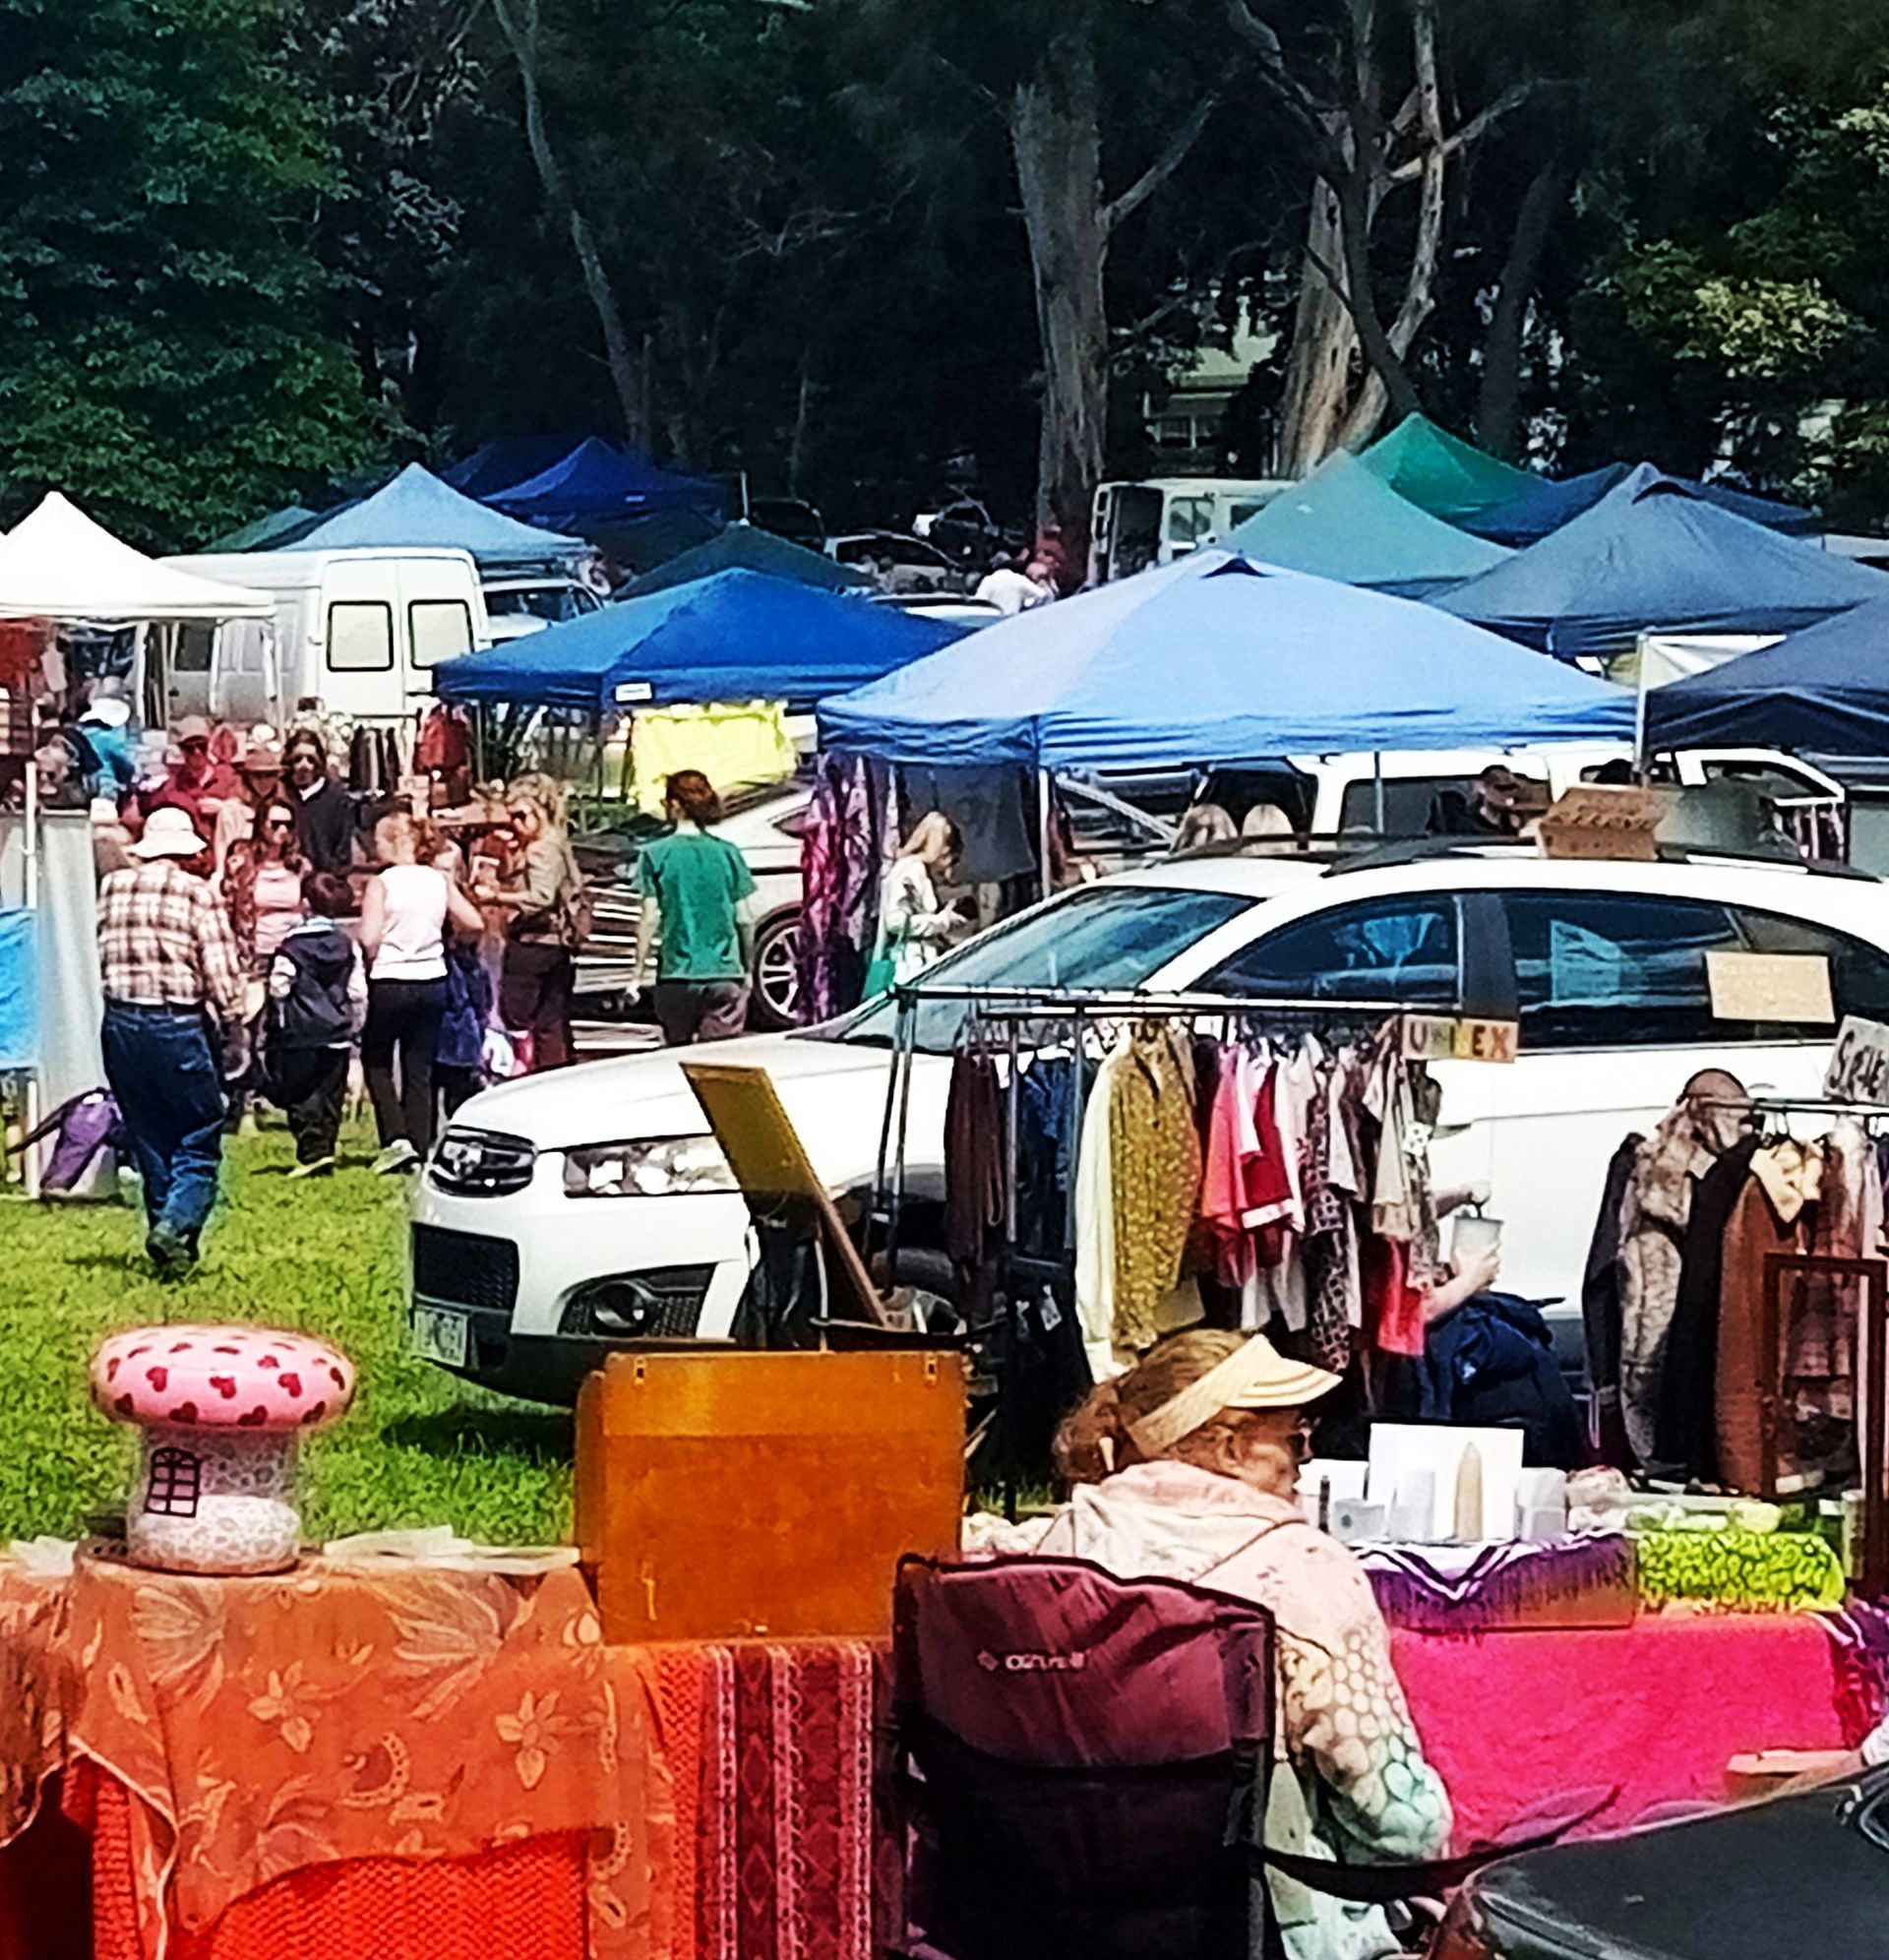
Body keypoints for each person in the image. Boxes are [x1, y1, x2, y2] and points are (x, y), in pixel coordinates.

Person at [989, 1329, 1451, 1960]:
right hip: (1266, 1930)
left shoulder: (1047, 1555)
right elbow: (1401, 1826)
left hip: (1062, 1924)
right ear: (1231, 1449)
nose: (1304, 1459)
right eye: (1294, 1438)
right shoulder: (1302, 1573)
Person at [95, 803, 246, 1276]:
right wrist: (235, 1024)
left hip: (120, 1021)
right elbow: (220, 970)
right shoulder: (197, 894)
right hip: (175, 1023)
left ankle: (171, 1244)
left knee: (151, 1135)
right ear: (186, 851)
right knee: (199, 1131)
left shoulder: (112, 888)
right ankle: (175, 1223)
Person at [359, 812, 483, 1172]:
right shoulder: (438, 880)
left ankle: (395, 1137)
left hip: (390, 978)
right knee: (420, 1066)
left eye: (378, 841)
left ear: (395, 841)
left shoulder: (382, 883)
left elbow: (368, 937)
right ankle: (419, 1143)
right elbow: (474, 922)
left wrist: (376, 953)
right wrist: (446, 940)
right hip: (431, 979)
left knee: (377, 1060)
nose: (374, 848)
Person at [633, 769, 757, 1046]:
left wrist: (636, 974)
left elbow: (649, 918)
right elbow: (745, 918)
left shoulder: (655, 854)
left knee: (676, 1053)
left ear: (675, 805)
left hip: (676, 973)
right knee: (718, 1057)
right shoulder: (728, 853)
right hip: (725, 971)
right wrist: (747, 968)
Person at [264, 870, 366, 1178]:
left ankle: (312, 1151)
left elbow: (279, 986)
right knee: (331, 1091)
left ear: (305, 904)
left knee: (301, 1091)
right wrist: (355, 1025)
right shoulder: (347, 944)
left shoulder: (292, 947)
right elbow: (357, 991)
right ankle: (327, 1146)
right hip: (337, 1029)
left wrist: (279, 1012)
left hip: (301, 1030)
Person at [476, 776, 582, 1071]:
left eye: (521, 816)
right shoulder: (557, 842)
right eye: (511, 817)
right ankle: (552, 1073)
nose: (515, 823)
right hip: (556, 943)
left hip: (533, 941)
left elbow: (541, 897)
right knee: (551, 1018)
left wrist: (497, 896)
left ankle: (522, 1069)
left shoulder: (540, 849)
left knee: (516, 1013)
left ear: (540, 811)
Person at [874, 812, 970, 985]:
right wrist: (942, 922)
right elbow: (895, 922)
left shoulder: (913, 870)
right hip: (908, 970)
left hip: (915, 967)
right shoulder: (912, 871)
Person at [142, 716, 233, 841]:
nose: (197, 752)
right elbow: (150, 810)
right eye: (190, 748)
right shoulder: (173, 785)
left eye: (201, 746)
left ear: (209, 745)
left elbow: (250, 813)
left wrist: (225, 809)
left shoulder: (228, 777)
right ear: (182, 750)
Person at [282, 728, 355, 874]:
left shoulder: (337, 799)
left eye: (310, 759)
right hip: (284, 878)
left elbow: (343, 851)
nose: (304, 765)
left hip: (323, 879)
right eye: (298, 759)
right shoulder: (282, 794)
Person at [213, 733, 285, 871]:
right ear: (247, 778)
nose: (264, 782)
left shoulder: (282, 811)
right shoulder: (231, 812)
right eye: (257, 776)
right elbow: (223, 853)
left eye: (270, 775)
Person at [1428, 765, 1539, 839]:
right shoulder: (1464, 822)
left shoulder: (1522, 818)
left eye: (1512, 788)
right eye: (1501, 788)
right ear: (1483, 788)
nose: (1508, 794)